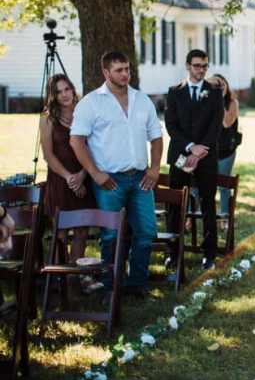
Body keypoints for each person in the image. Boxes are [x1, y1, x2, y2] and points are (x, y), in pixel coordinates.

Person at [70, 51, 162, 297]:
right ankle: (111, 286)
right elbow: (77, 141)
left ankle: (136, 285)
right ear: (106, 72)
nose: (125, 74)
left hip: (141, 177)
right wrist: (95, 173)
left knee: (146, 231)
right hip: (109, 180)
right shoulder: (91, 102)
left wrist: (154, 169)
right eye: (119, 70)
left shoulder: (142, 100)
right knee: (110, 235)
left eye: (127, 69)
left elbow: (156, 137)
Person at [39, 74, 101, 294]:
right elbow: (48, 155)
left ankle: (77, 277)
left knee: (82, 231)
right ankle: (56, 281)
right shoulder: (47, 119)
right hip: (59, 179)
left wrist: (83, 175)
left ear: (73, 90)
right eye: (59, 91)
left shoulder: (85, 113)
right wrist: (69, 178)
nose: (64, 94)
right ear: (53, 96)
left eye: (67, 89)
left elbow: (94, 148)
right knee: (61, 233)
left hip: (84, 175)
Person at [165, 50, 224, 270]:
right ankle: (173, 252)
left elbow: (216, 126)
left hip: (206, 158)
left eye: (204, 66)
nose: (201, 70)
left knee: (208, 204)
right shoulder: (174, 92)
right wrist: (190, 148)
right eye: (197, 65)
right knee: (175, 203)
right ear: (188, 66)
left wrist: (199, 152)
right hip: (180, 156)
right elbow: (171, 125)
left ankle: (209, 254)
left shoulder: (215, 92)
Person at [208, 73, 241, 216]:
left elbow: (226, 122)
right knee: (198, 185)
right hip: (209, 150)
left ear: (226, 85)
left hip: (226, 150)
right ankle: (191, 217)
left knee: (223, 185)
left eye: (221, 84)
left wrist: (219, 98)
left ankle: (225, 219)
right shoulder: (206, 101)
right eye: (215, 85)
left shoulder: (232, 103)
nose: (219, 87)